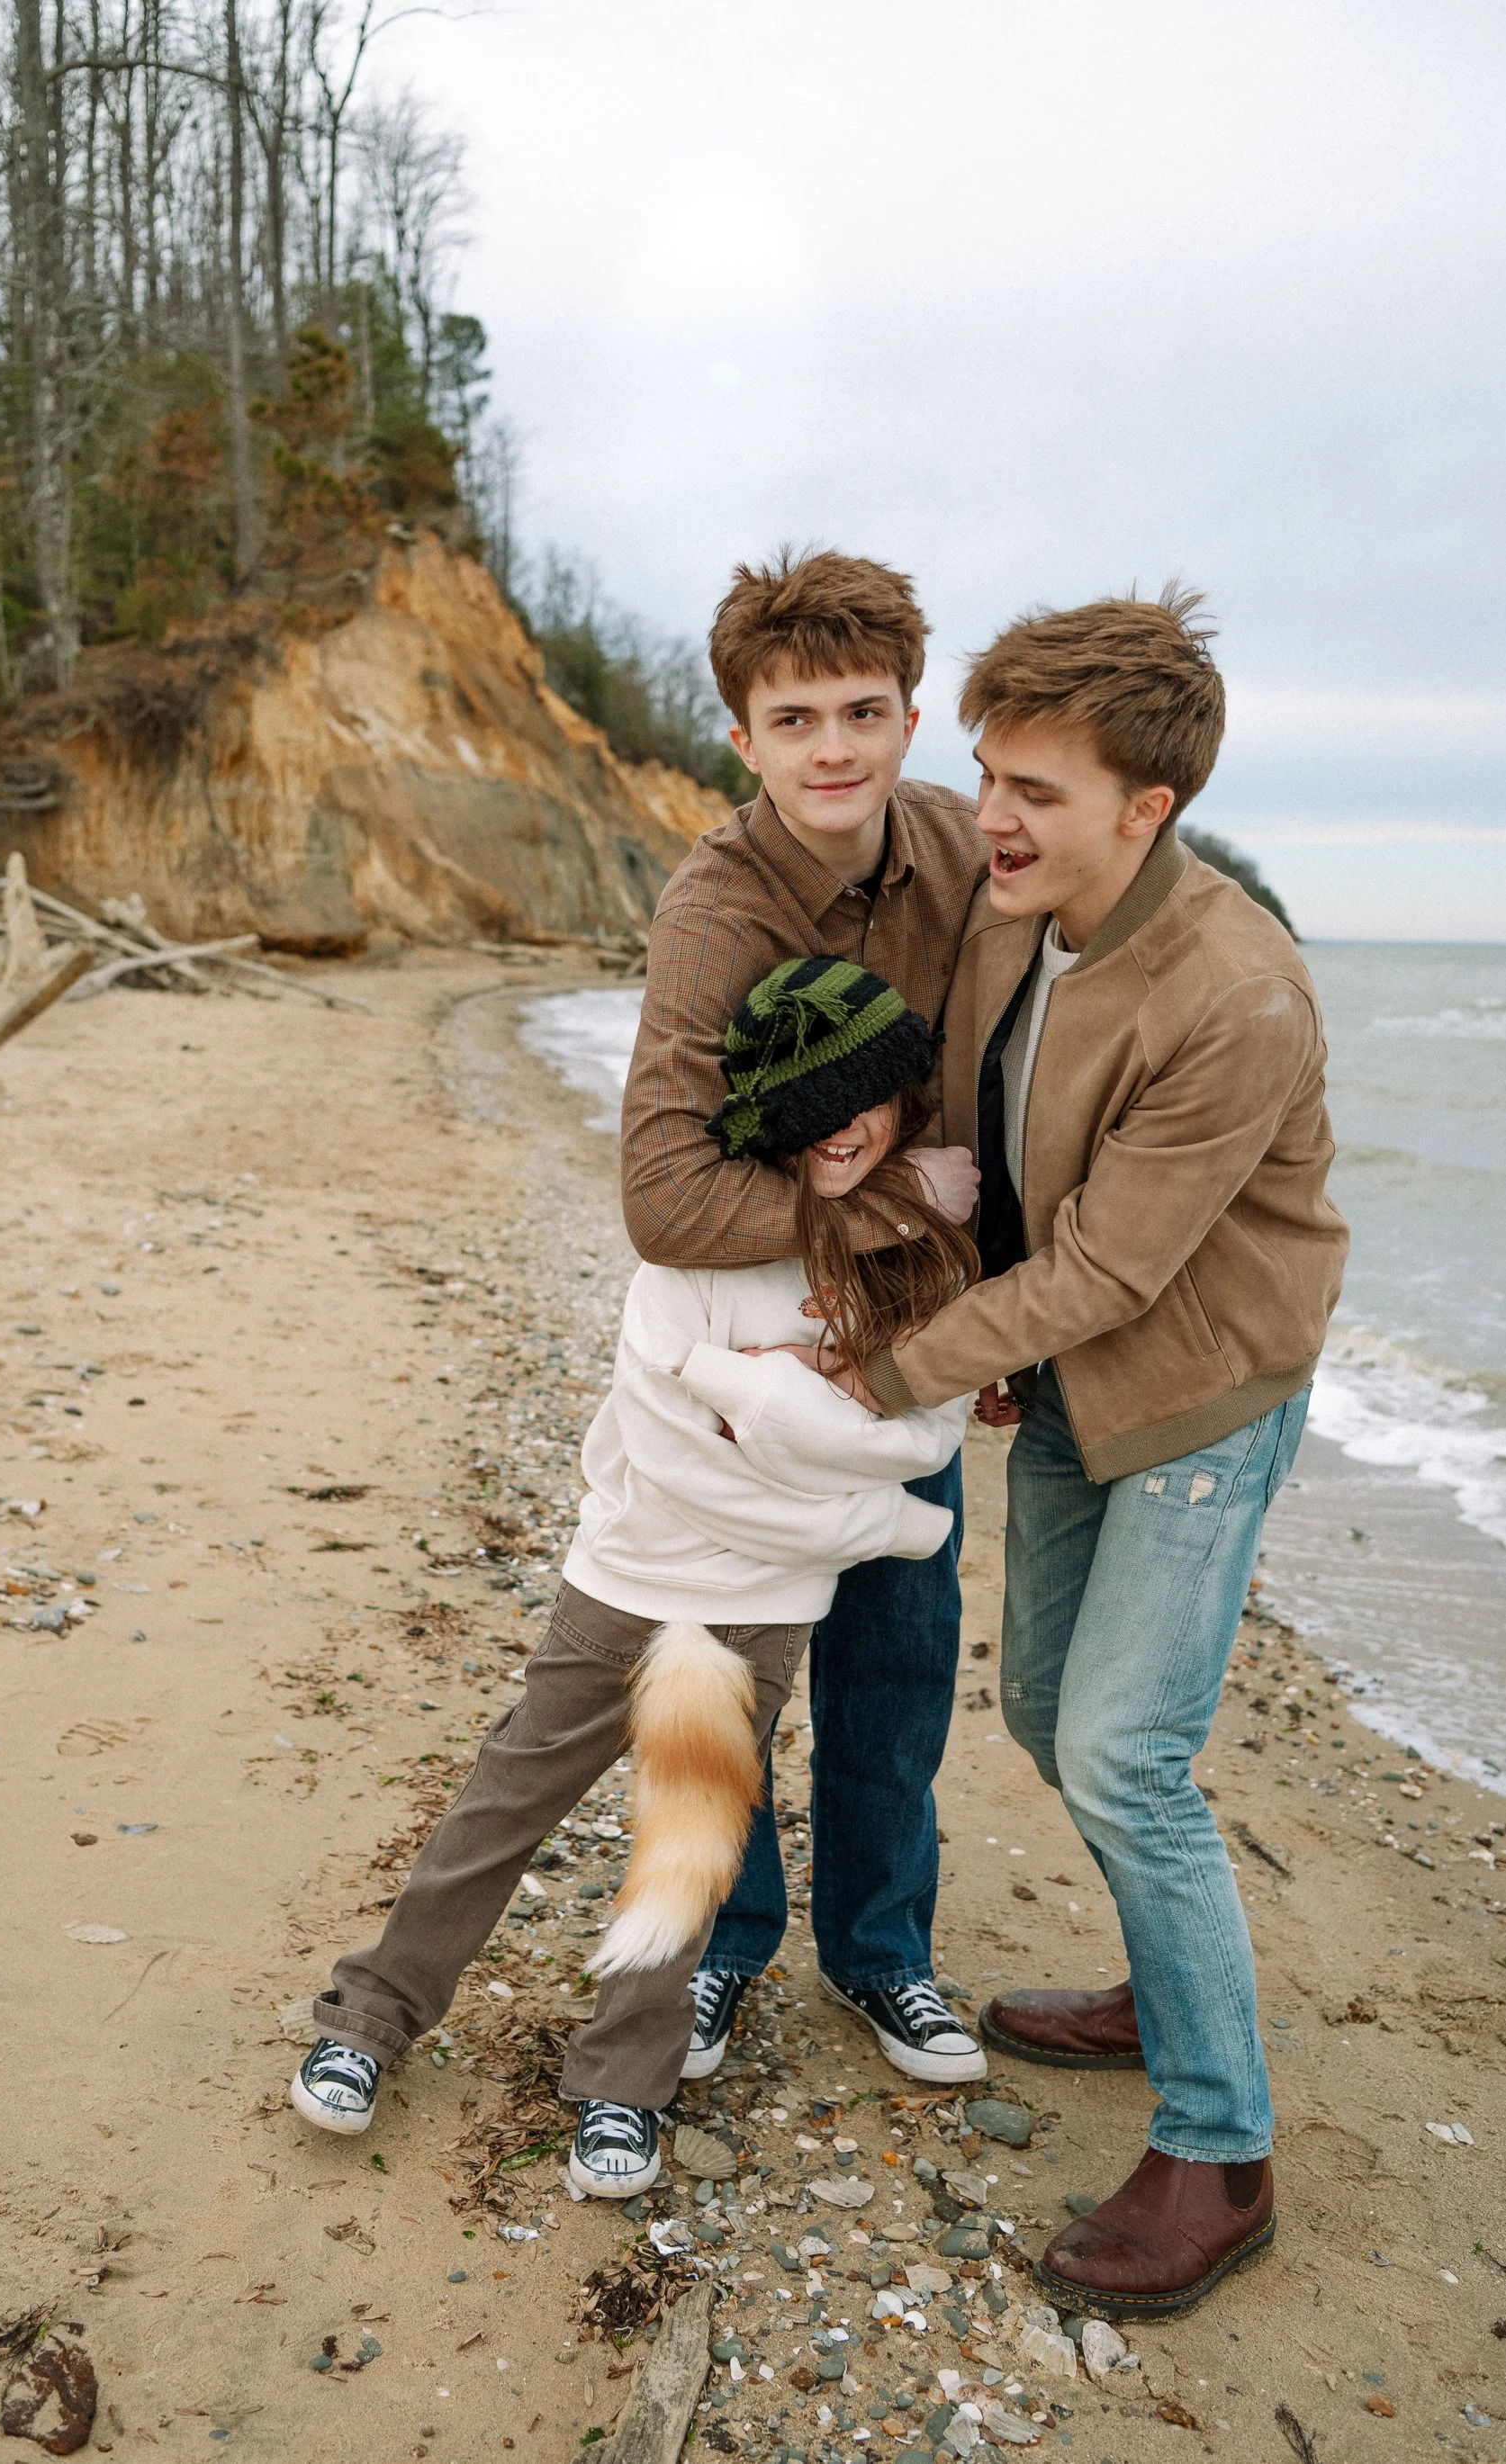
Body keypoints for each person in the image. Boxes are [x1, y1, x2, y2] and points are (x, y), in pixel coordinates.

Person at [799, 587, 1348, 2320]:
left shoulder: (1239, 987)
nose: (993, 816)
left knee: (1124, 1751)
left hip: (1198, 1391)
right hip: (1061, 1379)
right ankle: (1162, 1986)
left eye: (1036, 786)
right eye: (987, 773)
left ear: (1149, 807)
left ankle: (1221, 2139)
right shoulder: (1009, 904)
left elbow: (1117, 1264)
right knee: (1050, 1712)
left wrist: (896, 1367)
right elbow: (986, 1122)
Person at [293, 958, 976, 2195]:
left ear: (903, 1102)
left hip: (766, 1609)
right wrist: (805, 1449)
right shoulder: (692, 1254)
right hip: (631, 1576)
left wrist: (764, 1409)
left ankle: (622, 2084)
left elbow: (923, 1443)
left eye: (863, 1102)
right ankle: (370, 2016)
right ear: (765, 1119)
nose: (839, 1129)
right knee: (504, 1802)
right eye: (808, 1107)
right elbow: (683, 1467)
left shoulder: (902, 1266)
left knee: (687, 1836)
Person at [624, 547, 993, 2090]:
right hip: (750, 1347)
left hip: (916, 1349)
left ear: (913, 716)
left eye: (863, 710)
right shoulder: (716, 910)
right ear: (745, 738)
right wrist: (903, 1197)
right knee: (724, 1659)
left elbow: (1018, 1085)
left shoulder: (968, 856)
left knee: (899, 1662)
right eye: (796, 719)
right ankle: (719, 1948)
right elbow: (659, 1192)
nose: (833, 748)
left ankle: (882, 1956)